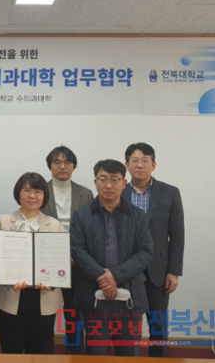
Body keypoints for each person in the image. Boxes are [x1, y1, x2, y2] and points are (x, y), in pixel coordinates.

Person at [70, 160, 153, 356]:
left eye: (114, 180)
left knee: (129, 354)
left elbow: (145, 251)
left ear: (124, 183)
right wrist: (102, 276)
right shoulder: (81, 215)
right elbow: (77, 250)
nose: (108, 185)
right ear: (95, 182)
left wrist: (114, 276)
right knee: (96, 353)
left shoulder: (138, 216)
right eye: (103, 179)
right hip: (93, 295)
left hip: (130, 296)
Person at [0, 172, 64, 354]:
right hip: (10, 294)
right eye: (27, 190)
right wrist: (8, 277)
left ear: (44, 195)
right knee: (11, 348)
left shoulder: (54, 225)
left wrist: (52, 280)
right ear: (18, 193)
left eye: (38, 191)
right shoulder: (3, 222)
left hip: (44, 296)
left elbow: (62, 261)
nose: (32, 196)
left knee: (40, 350)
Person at [122, 143, 185, 358]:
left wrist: (174, 271)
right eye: (135, 160)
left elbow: (177, 235)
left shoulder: (170, 192)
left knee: (158, 324)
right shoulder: (118, 192)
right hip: (126, 269)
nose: (140, 165)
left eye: (145, 160)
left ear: (154, 165)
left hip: (158, 270)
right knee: (129, 326)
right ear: (127, 165)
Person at [41, 146, 93, 354]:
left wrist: (75, 256)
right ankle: (45, 354)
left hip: (76, 264)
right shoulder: (39, 191)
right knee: (45, 312)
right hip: (46, 263)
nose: (62, 166)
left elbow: (90, 229)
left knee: (74, 313)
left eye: (67, 162)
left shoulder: (85, 193)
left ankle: (75, 354)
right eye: (57, 162)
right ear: (49, 166)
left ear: (73, 166)